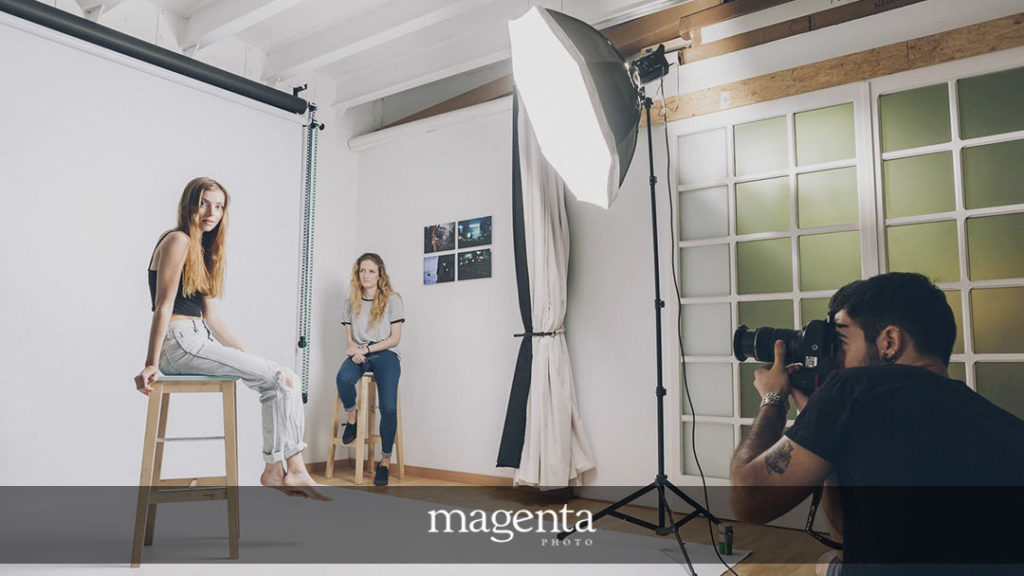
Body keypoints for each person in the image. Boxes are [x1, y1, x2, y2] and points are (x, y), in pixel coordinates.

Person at [729, 272, 1024, 574]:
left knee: (822, 566)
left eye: (841, 342)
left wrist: (773, 399)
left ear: (890, 342)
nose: (836, 358)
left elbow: (748, 501)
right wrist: (819, 425)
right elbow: (850, 539)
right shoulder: (1005, 426)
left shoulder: (853, 388)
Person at [134, 177, 328, 500]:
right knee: (281, 377)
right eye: (204, 204)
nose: (211, 213)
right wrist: (150, 363)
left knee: (280, 380)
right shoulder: (178, 240)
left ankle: (275, 470)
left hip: (199, 338)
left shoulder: (204, 250)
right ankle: (295, 469)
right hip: (179, 342)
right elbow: (163, 306)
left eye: (219, 206)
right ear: (189, 205)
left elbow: (212, 317)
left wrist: (249, 359)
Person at [335, 253, 404, 486]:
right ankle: (352, 417)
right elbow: (350, 339)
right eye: (362, 270)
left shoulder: (392, 300)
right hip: (360, 353)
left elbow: (395, 339)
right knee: (343, 378)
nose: (366, 275)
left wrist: (366, 349)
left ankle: (384, 462)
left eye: (371, 271)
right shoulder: (349, 303)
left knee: (388, 407)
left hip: (386, 354)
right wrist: (354, 350)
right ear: (357, 274)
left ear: (380, 274)